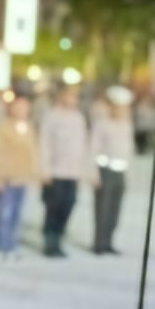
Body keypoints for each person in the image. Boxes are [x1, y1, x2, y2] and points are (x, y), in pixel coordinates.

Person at [39, 86, 93, 257]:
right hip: (55, 172)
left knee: (69, 205)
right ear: (61, 97)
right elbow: (44, 145)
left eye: (75, 97)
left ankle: (59, 236)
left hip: (73, 172)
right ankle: (50, 241)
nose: (73, 100)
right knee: (53, 207)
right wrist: (45, 170)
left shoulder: (78, 119)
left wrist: (83, 171)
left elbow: (83, 147)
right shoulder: (51, 117)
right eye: (69, 97)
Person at [0, 93, 41, 261]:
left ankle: (12, 246)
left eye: (25, 106)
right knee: (4, 213)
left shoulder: (29, 127)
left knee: (17, 214)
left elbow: (33, 152)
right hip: (7, 177)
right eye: (18, 106)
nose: (21, 110)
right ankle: (0, 246)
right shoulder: (3, 127)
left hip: (22, 177)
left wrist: (34, 173)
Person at [90, 86, 134, 255]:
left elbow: (129, 152)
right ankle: (99, 244)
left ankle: (109, 242)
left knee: (115, 210)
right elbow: (93, 149)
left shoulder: (126, 125)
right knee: (103, 209)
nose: (122, 110)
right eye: (118, 107)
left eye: (124, 107)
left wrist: (128, 174)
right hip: (105, 171)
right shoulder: (102, 124)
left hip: (120, 172)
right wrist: (93, 173)